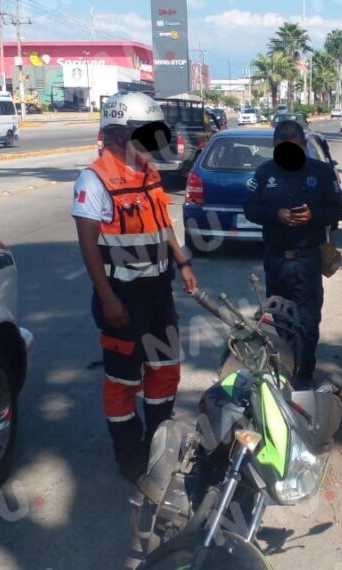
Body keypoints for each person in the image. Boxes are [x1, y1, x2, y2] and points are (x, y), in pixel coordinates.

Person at [71, 91, 199, 484]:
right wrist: (107, 298)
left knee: (164, 369)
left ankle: (157, 443)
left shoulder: (149, 172)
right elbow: (88, 244)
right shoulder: (93, 179)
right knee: (124, 379)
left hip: (158, 293)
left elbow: (163, 225)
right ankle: (128, 453)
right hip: (121, 298)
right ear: (117, 131)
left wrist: (183, 262)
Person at [244, 120, 342, 389]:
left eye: (294, 138)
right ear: (275, 145)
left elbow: (337, 210)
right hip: (275, 259)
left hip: (307, 259)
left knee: (309, 321)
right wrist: (275, 215)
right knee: (280, 319)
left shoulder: (321, 172)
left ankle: (303, 374)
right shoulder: (265, 172)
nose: (288, 143)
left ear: (303, 142)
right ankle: (288, 364)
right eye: (282, 139)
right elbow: (250, 209)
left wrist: (314, 216)